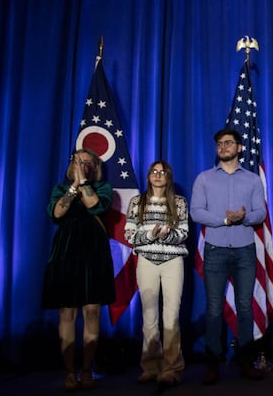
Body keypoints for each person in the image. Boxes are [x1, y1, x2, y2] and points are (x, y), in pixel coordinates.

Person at [190, 128, 267, 385]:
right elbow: (196, 212)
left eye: (228, 143)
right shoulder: (204, 179)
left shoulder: (252, 180)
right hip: (215, 250)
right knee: (213, 308)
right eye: (219, 144)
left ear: (239, 148)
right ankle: (213, 364)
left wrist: (244, 217)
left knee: (245, 306)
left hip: (245, 250)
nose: (223, 147)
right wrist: (223, 220)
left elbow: (260, 213)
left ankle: (245, 361)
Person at [41, 148, 116, 391]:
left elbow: (95, 206)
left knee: (92, 311)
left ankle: (86, 369)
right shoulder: (60, 189)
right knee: (67, 312)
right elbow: (57, 212)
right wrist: (73, 186)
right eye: (77, 161)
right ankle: (69, 372)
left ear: (95, 167)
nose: (81, 165)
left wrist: (83, 183)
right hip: (66, 253)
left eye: (87, 162)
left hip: (94, 253)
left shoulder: (104, 188)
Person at [124, 160, 188, 387]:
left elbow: (184, 232)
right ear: (149, 175)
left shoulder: (179, 202)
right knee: (149, 317)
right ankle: (150, 366)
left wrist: (167, 235)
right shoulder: (137, 202)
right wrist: (151, 235)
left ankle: (171, 368)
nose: (158, 175)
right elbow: (129, 235)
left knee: (171, 316)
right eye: (154, 171)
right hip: (147, 262)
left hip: (173, 262)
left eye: (162, 172)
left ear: (168, 177)